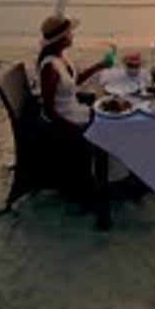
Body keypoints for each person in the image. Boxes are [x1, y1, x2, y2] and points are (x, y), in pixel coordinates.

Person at [37, 12, 113, 202]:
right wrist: (76, 129)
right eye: (69, 33)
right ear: (61, 38)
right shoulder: (49, 68)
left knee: (110, 116)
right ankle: (102, 182)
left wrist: (99, 66)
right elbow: (49, 111)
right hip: (65, 121)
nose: (72, 35)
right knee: (108, 127)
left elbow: (74, 81)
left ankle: (109, 176)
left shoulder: (61, 57)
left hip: (75, 111)